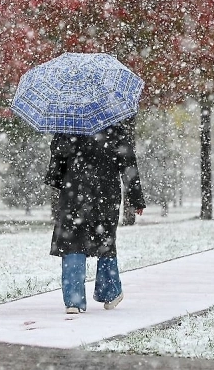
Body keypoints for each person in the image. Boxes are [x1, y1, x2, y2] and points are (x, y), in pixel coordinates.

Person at [44, 120, 145, 314]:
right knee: (105, 242)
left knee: (72, 242)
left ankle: (74, 300)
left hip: (73, 194)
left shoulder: (67, 126)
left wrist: (65, 179)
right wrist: (135, 198)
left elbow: (56, 168)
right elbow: (128, 164)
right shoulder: (114, 128)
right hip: (105, 195)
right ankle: (109, 292)